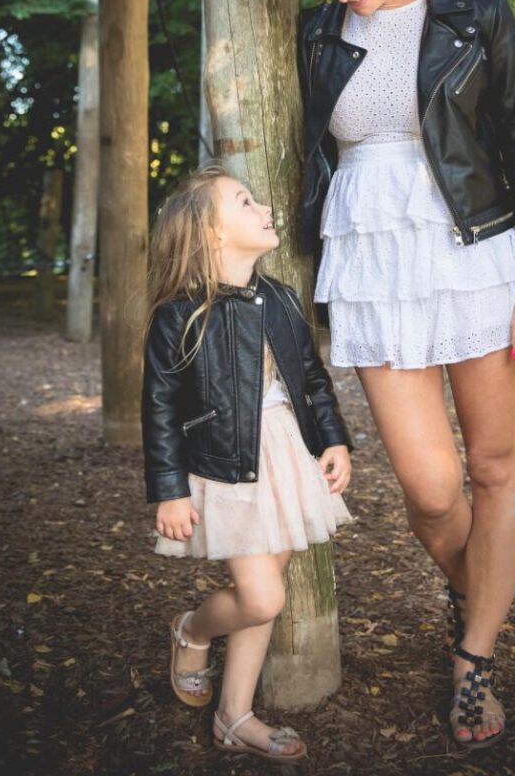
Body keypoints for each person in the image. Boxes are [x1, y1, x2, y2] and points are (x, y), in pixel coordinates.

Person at [279, 0, 515, 750]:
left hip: (477, 251)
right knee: (432, 489)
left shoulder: (476, 11)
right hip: (369, 258)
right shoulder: (316, 33)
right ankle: (474, 583)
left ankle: (474, 655)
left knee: (494, 466)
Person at [141, 164, 353, 763]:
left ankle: (234, 717)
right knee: (261, 598)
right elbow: (157, 405)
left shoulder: (282, 297)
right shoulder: (178, 315)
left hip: (287, 456)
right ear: (212, 233)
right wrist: (168, 488)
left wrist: (333, 439)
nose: (265, 208)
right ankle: (192, 630)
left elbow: (311, 377)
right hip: (223, 464)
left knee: (269, 589)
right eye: (245, 201)